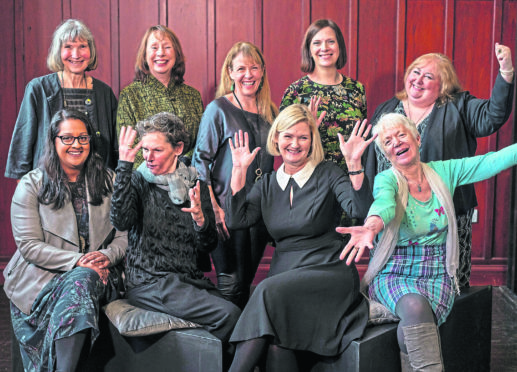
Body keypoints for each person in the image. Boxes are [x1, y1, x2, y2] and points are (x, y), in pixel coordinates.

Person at [339, 113, 517, 371]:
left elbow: (490, 161)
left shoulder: (444, 171)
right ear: (385, 154)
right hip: (395, 270)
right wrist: (371, 226)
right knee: (414, 306)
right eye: (388, 141)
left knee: (410, 328)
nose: (396, 142)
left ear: (417, 138)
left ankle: (388, 316)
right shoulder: (387, 180)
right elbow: (383, 205)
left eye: (401, 135)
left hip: (437, 272)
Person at [226, 104, 374, 371]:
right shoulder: (267, 184)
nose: (295, 144)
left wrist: (354, 164)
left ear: (312, 141)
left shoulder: (328, 172)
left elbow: (359, 210)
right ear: (276, 138)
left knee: (264, 291)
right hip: (285, 275)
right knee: (276, 343)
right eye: (288, 136)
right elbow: (238, 220)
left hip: (328, 270)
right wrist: (238, 170)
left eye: (303, 137)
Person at [365, 44, 514, 287]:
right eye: (416, 72)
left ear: (442, 85)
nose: (418, 80)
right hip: (394, 214)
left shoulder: (459, 106)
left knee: (447, 282)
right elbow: (372, 161)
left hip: (445, 215)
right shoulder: (387, 108)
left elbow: (493, 116)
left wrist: (506, 72)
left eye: (429, 76)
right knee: (393, 282)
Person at [3, 109, 127, 372]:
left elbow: (125, 234)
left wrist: (108, 255)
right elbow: (29, 246)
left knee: (84, 280)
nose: (76, 145)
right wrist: (79, 261)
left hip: (100, 273)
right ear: (54, 141)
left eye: (82, 138)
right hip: (42, 277)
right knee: (82, 278)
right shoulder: (31, 184)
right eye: (67, 138)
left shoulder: (109, 180)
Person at [111, 113, 241, 352]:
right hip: (150, 282)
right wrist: (124, 167)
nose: (148, 157)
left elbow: (209, 245)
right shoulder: (138, 181)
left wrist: (201, 220)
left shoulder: (194, 183)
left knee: (243, 320)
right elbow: (121, 220)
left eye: (157, 150)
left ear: (178, 148)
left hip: (187, 280)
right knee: (230, 315)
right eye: (145, 150)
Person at [192, 41, 278, 308]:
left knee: (246, 284)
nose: (248, 74)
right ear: (229, 72)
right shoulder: (218, 109)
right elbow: (199, 162)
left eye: (254, 68)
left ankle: (239, 346)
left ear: (262, 71)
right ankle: (223, 348)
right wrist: (214, 208)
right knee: (231, 286)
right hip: (225, 211)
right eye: (241, 68)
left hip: (258, 213)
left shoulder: (271, 112)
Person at [5, 19, 118, 179]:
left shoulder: (104, 93)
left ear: (91, 50)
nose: (76, 54)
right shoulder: (38, 89)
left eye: (82, 46)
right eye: (68, 47)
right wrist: (24, 190)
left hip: (97, 187)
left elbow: (117, 147)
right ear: (58, 51)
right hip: (49, 185)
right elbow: (23, 144)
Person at [280, 18, 367, 174]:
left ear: (339, 46)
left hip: (351, 178)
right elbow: (284, 145)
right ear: (309, 49)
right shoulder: (296, 92)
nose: (324, 48)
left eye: (330, 42)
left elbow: (361, 138)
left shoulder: (356, 89)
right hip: (310, 182)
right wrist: (309, 128)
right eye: (317, 43)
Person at [117, 25, 203, 168]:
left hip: (187, 180)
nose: (161, 53)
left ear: (176, 54)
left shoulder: (193, 96)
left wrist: (179, 168)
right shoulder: (129, 95)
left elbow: (202, 143)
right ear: (144, 55)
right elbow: (129, 147)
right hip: (144, 183)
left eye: (167, 47)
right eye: (154, 47)